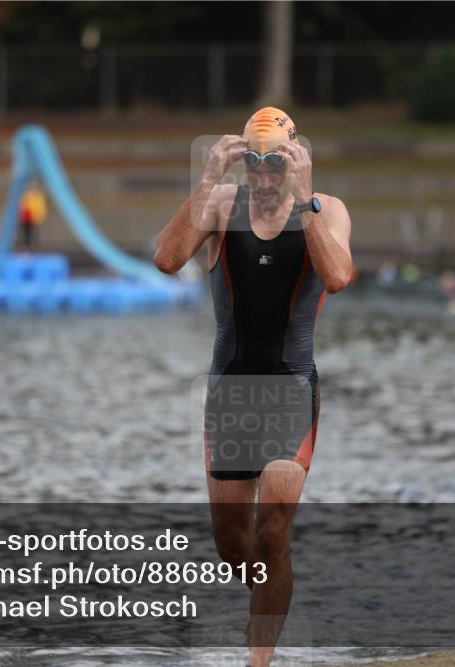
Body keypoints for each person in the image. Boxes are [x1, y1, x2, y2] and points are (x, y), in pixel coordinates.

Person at [154, 107, 352, 667]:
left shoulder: (327, 210)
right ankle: (266, 606)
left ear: (293, 163)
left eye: (275, 168)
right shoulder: (222, 205)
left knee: (272, 535)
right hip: (231, 396)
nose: (264, 181)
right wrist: (209, 177)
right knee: (235, 549)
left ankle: (259, 659)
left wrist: (307, 199)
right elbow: (167, 260)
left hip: (291, 392)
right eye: (255, 168)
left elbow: (337, 277)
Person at [18, 184, 46, 251]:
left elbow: (40, 208)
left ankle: (33, 249)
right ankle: (25, 249)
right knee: (26, 234)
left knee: (33, 234)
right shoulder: (26, 196)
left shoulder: (37, 197)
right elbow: (21, 206)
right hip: (26, 217)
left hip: (34, 217)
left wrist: (40, 217)